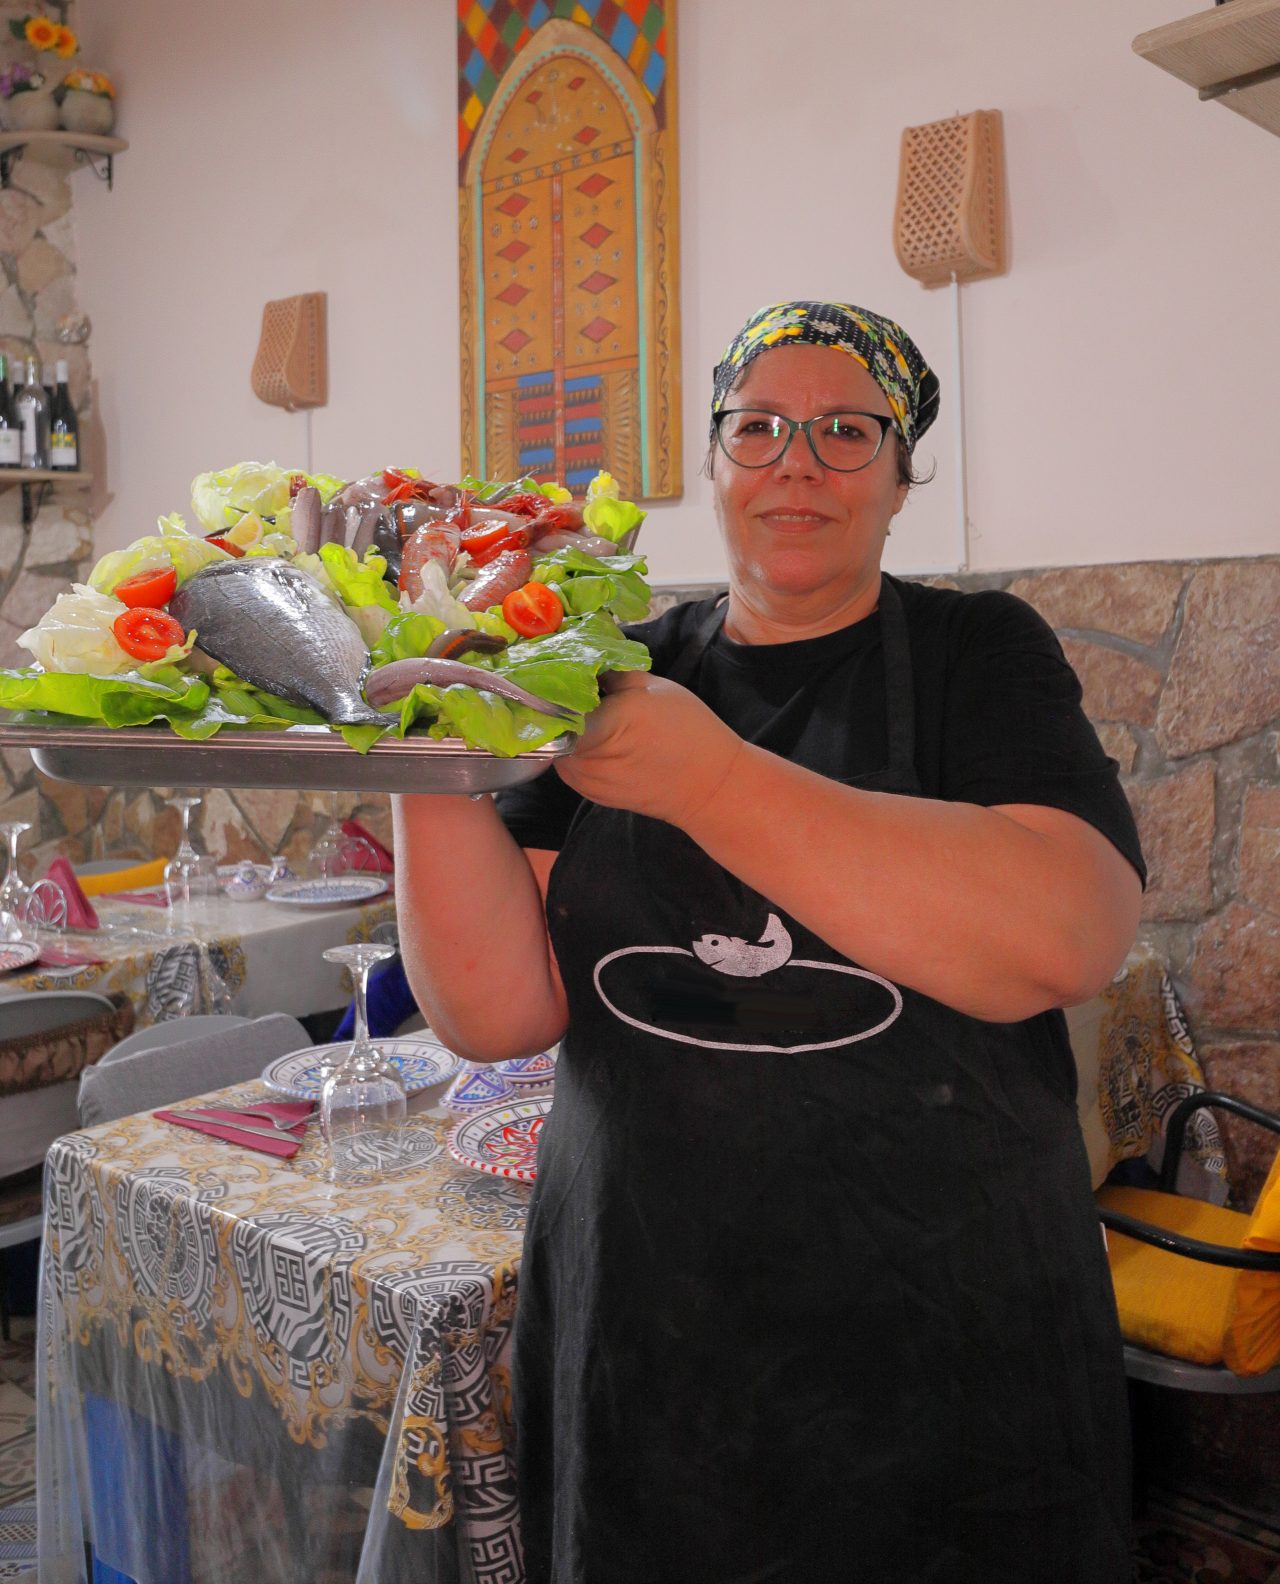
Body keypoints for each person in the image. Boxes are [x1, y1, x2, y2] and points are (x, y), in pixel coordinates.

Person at [393, 300, 1146, 1584]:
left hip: (943, 1332)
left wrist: (710, 780)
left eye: (846, 430)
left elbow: (1065, 937)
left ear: (902, 477)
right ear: (714, 464)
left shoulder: (980, 653)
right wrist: (419, 711)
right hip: (646, 1321)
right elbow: (495, 1011)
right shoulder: (611, 664)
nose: (796, 458)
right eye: (759, 428)